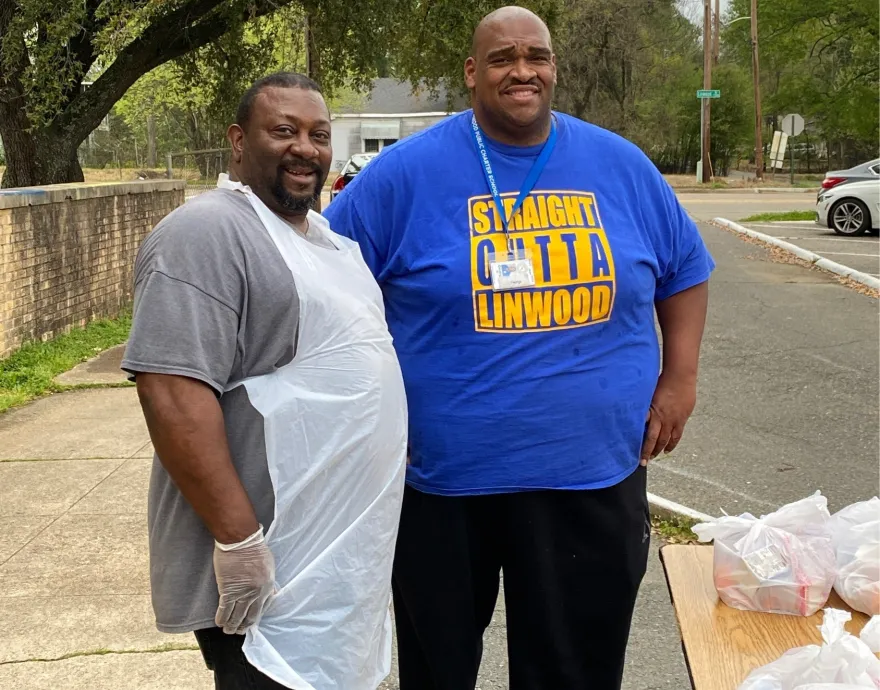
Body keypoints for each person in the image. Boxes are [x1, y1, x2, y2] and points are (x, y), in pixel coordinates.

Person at [322, 6, 715, 689]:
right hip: (441, 482)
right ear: (473, 73)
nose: (522, 70)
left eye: (537, 55)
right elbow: (324, 286)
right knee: (436, 671)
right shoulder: (402, 177)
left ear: (554, 67)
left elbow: (685, 268)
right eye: (502, 58)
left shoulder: (619, 165)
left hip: (590, 473)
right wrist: (361, 411)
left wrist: (680, 379)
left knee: (575, 671)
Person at [122, 72, 407, 690]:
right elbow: (171, 390)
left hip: (338, 564)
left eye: (319, 134)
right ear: (237, 140)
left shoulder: (328, 243)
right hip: (274, 565)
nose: (305, 148)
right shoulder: (207, 233)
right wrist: (239, 541)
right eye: (284, 131)